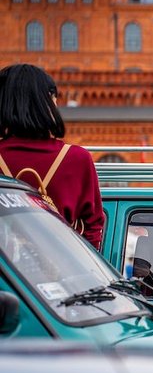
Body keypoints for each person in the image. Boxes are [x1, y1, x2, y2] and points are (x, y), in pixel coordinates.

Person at [0, 64, 104, 250]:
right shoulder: (76, 158)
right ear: (44, 102)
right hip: (61, 269)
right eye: (54, 98)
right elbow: (93, 227)